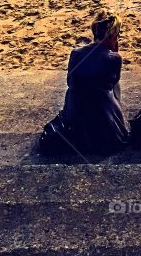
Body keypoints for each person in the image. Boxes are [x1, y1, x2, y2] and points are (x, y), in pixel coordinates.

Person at [49, 9, 129, 155]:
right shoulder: (114, 59)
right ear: (113, 36)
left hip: (76, 120)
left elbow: (70, 82)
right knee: (114, 85)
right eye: (117, 36)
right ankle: (114, 117)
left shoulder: (76, 53)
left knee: (76, 89)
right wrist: (114, 54)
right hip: (105, 127)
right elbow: (112, 83)